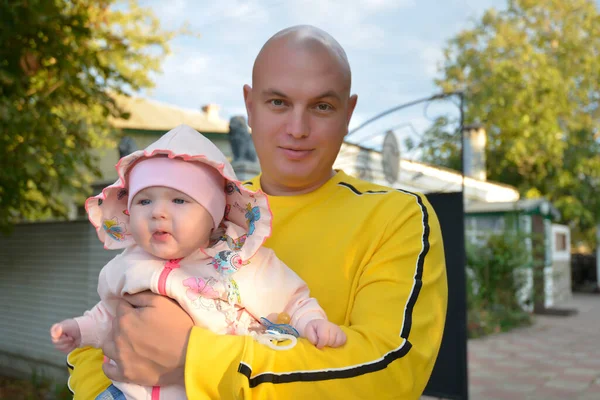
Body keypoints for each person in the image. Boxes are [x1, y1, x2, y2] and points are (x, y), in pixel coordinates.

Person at [67, 24, 448, 399]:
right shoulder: (199, 211)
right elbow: (101, 334)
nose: (298, 128)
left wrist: (191, 356)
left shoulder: (396, 216)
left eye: (322, 106)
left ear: (348, 114)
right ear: (250, 106)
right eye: (278, 102)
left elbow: (388, 372)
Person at [52, 125, 346, 399]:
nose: (158, 213)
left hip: (202, 390)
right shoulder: (126, 266)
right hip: (125, 392)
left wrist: (311, 322)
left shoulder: (240, 264)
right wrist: (79, 329)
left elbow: (290, 298)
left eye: (179, 201)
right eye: (145, 201)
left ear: (213, 216)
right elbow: (110, 317)